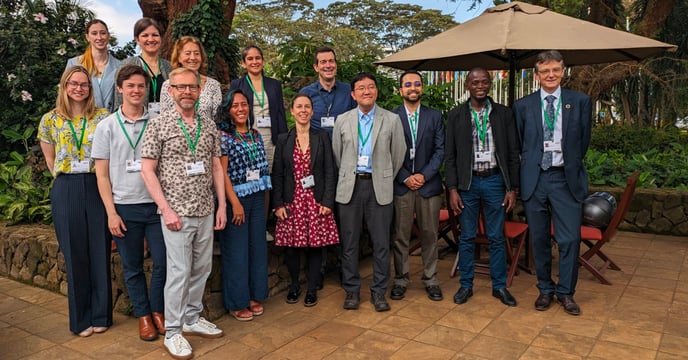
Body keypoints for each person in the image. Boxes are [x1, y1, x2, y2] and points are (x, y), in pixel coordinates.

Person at [141, 67, 227, 359]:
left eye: (192, 87)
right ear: (171, 91)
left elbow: (216, 166)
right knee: (179, 272)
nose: (187, 91)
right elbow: (147, 170)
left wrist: (222, 205)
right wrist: (165, 210)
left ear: (199, 91)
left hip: (205, 209)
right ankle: (174, 331)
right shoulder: (159, 125)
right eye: (181, 87)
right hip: (176, 213)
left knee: (202, 269)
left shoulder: (208, 125)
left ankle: (192, 317)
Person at [513, 50, 592, 316]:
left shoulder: (579, 101)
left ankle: (566, 292)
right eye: (545, 71)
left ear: (563, 72)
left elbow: (583, 141)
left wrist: (567, 163)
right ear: (536, 75)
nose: (550, 75)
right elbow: (520, 143)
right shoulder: (522, 106)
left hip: (565, 179)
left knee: (570, 239)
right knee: (539, 239)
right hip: (535, 180)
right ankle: (545, 289)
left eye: (555, 70)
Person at [92, 64, 166, 341]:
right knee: (132, 266)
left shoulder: (157, 121)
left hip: (157, 206)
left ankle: (158, 310)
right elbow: (101, 175)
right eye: (130, 86)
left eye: (141, 86)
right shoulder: (106, 127)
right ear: (120, 89)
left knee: (163, 262)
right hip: (125, 207)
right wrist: (111, 213)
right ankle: (144, 316)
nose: (136, 91)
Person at [38, 65, 111, 337]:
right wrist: (65, 175)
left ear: (90, 89)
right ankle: (81, 319)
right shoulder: (50, 120)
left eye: (84, 84)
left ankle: (102, 314)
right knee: (75, 253)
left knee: (99, 250)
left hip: (96, 184)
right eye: (73, 83)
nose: (79, 88)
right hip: (66, 186)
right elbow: (49, 158)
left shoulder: (102, 117)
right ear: (64, 86)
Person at [445, 68, 520, 307]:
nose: (480, 85)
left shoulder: (504, 114)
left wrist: (512, 188)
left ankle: (499, 286)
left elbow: (512, 153)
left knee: (496, 237)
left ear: (490, 84)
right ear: (467, 85)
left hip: (495, 182)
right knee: (467, 236)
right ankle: (466, 285)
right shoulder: (456, 115)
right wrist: (453, 189)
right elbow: (450, 156)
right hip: (468, 184)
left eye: (484, 82)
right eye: (475, 82)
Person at [332, 72, 406, 312]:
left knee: (381, 243)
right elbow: (338, 154)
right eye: (361, 88)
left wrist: (384, 175)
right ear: (353, 94)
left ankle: (378, 292)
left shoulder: (391, 119)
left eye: (371, 87)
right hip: (350, 188)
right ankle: (352, 291)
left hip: (379, 188)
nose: (367, 91)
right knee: (350, 244)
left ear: (377, 91)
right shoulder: (342, 120)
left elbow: (398, 154)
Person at [272, 94, 339, 307]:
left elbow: (330, 171)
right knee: (292, 248)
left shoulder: (321, 138)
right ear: (292, 111)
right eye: (298, 107)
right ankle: (294, 285)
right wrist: (278, 204)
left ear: (312, 111)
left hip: (316, 201)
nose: (303, 110)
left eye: (307, 107)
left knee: (315, 247)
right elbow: (278, 174)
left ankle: (312, 288)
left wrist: (328, 202)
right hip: (292, 202)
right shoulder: (284, 140)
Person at [390, 70, 445, 302]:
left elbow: (441, 149)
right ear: (400, 90)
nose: (413, 88)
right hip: (402, 185)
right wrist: (405, 176)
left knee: (430, 234)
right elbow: (386, 151)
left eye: (417, 84)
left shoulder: (435, 117)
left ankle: (431, 279)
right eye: (408, 85)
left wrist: (424, 175)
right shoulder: (391, 118)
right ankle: (401, 279)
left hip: (428, 185)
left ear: (422, 88)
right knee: (400, 235)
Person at [217, 89, 271, 322]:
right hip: (235, 200)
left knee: (256, 249)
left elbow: (262, 170)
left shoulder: (256, 135)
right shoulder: (223, 136)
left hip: (258, 198)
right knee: (236, 252)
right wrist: (234, 203)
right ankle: (237, 302)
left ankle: (254, 294)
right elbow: (222, 173)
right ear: (228, 110)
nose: (240, 109)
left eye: (244, 104)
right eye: (235, 105)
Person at [229, 45, 288, 168]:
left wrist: (284, 140)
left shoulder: (274, 84)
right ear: (244, 63)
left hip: (272, 138)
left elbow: (280, 113)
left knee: (273, 173)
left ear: (263, 61)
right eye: (250, 59)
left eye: (258, 58)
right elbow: (232, 112)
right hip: (248, 138)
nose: (254, 62)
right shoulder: (237, 84)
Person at [115, 18, 172, 117]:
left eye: (155, 35)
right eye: (145, 35)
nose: (151, 39)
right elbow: (119, 102)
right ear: (137, 39)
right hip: (136, 124)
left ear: (161, 38)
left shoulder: (169, 67)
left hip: (166, 126)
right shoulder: (127, 65)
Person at [161, 36, 222, 123]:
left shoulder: (213, 85)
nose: (193, 57)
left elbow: (218, 120)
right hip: (175, 135)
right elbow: (164, 119)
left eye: (197, 53)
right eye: (188, 53)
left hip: (206, 134)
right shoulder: (168, 85)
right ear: (178, 57)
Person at [299, 46, 357, 137]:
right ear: (316, 67)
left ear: (336, 65)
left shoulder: (349, 91)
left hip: (344, 145)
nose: (328, 65)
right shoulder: (306, 93)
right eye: (323, 62)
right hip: (316, 146)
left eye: (331, 61)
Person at [65, 19, 120, 113]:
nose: (99, 37)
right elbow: (65, 95)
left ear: (108, 36)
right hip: (82, 120)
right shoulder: (74, 63)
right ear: (87, 37)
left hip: (111, 122)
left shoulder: (120, 66)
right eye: (94, 33)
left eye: (103, 33)